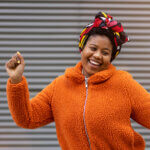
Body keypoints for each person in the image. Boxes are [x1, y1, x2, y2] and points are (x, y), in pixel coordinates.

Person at [5, 11, 150, 150]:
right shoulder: (60, 86)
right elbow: (27, 118)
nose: (97, 55)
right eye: (93, 48)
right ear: (82, 48)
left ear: (111, 57)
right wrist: (16, 80)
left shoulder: (123, 84)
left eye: (105, 52)